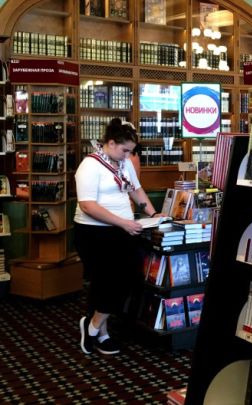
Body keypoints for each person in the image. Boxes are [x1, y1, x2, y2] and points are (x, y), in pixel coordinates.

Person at [75, 118, 161, 355]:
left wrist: (154, 214)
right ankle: (99, 332)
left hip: (122, 230)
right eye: (125, 150)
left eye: (130, 151)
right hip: (94, 232)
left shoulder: (123, 163)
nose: (127, 156)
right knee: (106, 282)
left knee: (129, 278)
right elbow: (87, 206)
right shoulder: (90, 166)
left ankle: (93, 326)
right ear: (111, 143)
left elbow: (136, 190)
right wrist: (123, 222)